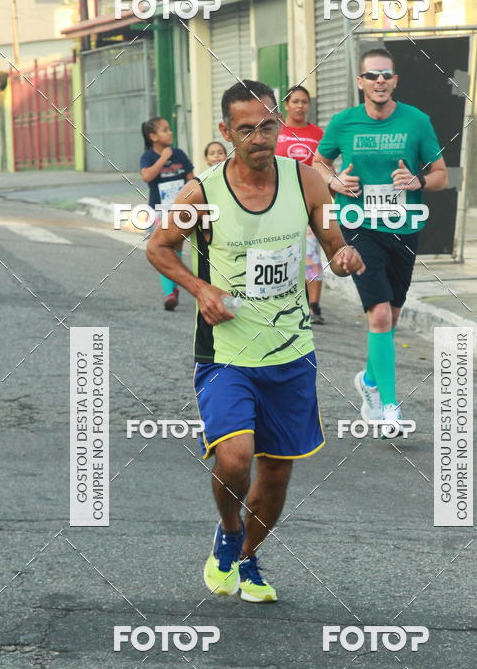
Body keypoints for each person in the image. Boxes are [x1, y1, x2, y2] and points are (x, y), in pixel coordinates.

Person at [147, 79, 363, 603]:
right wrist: (200, 289)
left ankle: (248, 560)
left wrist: (344, 257)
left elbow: (334, 240)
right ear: (227, 131)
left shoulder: (308, 181)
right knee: (235, 458)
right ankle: (228, 535)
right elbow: (158, 247)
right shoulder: (202, 193)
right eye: (247, 129)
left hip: (291, 350)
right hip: (227, 352)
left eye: (269, 125)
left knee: (277, 473)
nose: (260, 137)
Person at [313, 48, 448, 436]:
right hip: (358, 225)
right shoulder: (343, 123)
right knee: (380, 315)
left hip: (404, 227)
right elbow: (319, 164)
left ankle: (370, 382)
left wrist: (418, 181)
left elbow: (440, 174)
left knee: (392, 317)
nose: (379, 82)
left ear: (395, 81)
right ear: (361, 83)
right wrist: (334, 181)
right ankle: (389, 407)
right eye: (371, 76)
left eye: (386, 75)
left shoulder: (416, 121)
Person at [276, 85, 326, 324]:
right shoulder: (276, 132)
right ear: (286, 105)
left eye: (304, 101)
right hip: (278, 203)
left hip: (310, 202)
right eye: (295, 101)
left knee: (312, 254)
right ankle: (286, 300)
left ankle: (314, 306)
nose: (300, 106)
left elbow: (326, 166)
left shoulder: (318, 134)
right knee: (281, 252)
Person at [140, 117, 194, 311]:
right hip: (158, 210)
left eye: (169, 129)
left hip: (180, 210)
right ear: (153, 136)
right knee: (163, 249)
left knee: (176, 250)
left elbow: (191, 180)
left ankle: (173, 286)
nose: (170, 132)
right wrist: (163, 158)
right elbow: (146, 176)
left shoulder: (179, 154)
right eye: (164, 130)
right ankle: (169, 293)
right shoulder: (148, 157)